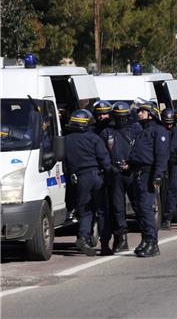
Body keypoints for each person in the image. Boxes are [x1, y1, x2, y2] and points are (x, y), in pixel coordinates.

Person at [64, 109, 113, 256]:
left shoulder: (66, 140)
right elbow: (104, 159)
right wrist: (110, 173)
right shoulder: (94, 138)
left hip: (79, 178)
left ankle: (83, 237)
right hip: (96, 176)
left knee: (85, 211)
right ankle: (104, 245)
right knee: (102, 211)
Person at [127, 102, 169, 257]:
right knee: (139, 209)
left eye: (142, 112)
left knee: (146, 208)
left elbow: (162, 155)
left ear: (151, 113)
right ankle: (145, 239)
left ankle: (152, 243)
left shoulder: (159, 131)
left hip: (149, 173)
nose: (139, 114)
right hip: (137, 173)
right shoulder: (141, 131)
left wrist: (158, 174)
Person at [99, 101, 142, 253]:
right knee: (118, 207)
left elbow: (140, 149)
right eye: (118, 116)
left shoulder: (135, 130)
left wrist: (131, 164)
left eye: (123, 117)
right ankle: (122, 238)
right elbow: (103, 153)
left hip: (131, 172)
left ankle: (147, 236)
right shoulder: (107, 132)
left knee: (139, 205)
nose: (120, 120)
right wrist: (111, 167)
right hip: (115, 174)